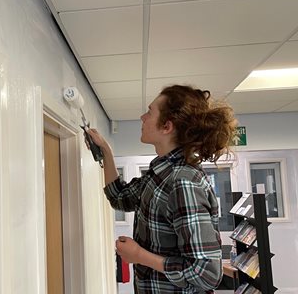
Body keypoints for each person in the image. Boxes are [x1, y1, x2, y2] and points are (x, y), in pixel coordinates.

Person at [87, 85, 238, 293]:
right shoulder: (159, 172)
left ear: (166, 126)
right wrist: (106, 150)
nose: (142, 117)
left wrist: (139, 256)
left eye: (149, 112)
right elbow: (119, 197)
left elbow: (207, 273)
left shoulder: (183, 182)